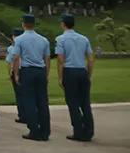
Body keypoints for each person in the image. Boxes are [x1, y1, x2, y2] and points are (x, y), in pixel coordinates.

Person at [55, 13, 94, 142]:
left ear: (63, 24)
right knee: (85, 103)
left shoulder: (60, 39)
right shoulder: (84, 39)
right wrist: (88, 74)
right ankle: (89, 130)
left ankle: (78, 131)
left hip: (70, 71)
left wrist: (60, 77)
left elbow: (60, 60)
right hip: (82, 71)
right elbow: (90, 59)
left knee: (73, 103)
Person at [12, 14, 51, 141]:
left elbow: (16, 57)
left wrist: (16, 74)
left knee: (29, 101)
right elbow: (47, 58)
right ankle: (45, 130)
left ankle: (34, 129)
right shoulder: (43, 40)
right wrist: (46, 73)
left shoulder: (19, 40)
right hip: (40, 70)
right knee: (42, 102)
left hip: (27, 70)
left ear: (23, 24)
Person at [6, 28, 25, 123]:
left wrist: (11, 73)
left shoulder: (12, 48)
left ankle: (22, 115)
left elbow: (11, 62)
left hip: (17, 70)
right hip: (26, 69)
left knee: (19, 94)